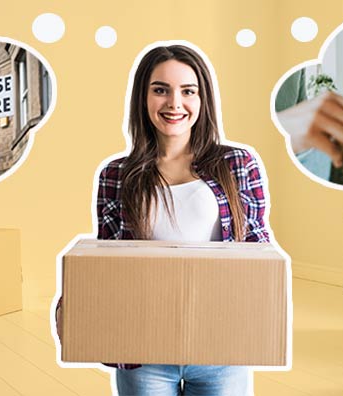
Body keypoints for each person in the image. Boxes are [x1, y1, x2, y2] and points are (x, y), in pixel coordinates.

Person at [90, 44, 269, 395]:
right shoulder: (116, 175)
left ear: (203, 100)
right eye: (161, 90)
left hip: (221, 348)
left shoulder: (237, 164)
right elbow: (105, 261)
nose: (174, 103)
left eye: (188, 91)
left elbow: (258, 250)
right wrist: (74, 306)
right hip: (144, 351)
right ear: (143, 98)